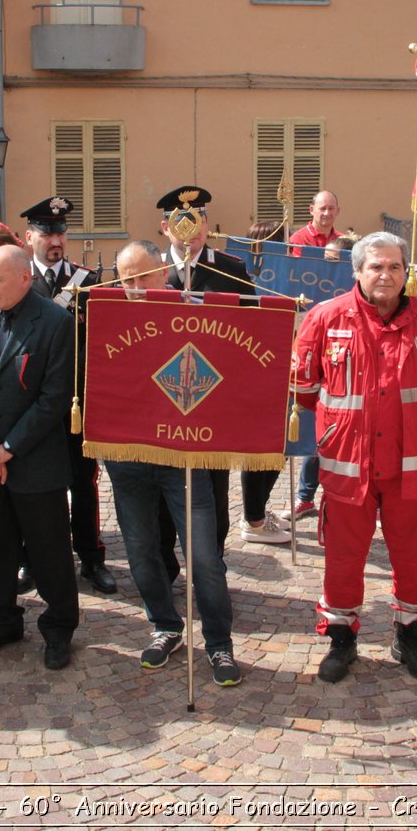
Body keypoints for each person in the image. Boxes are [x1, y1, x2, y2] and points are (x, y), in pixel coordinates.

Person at [292, 231, 417, 683]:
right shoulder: (325, 319)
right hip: (349, 468)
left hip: (413, 468)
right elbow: (305, 392)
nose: (385, 275)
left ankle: (412, 639)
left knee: (413, 559)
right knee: (343, 561)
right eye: (375, 267)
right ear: (357, 272)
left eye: (394, 267)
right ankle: (341, 640)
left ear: (406, 272)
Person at [104, 241, 241, 685]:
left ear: (163, 271)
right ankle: (165, 625)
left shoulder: (197, 314)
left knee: (204, 558)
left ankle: (219, 643)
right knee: (142, 551)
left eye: (143, 277)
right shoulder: (106, 317)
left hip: (184, 457)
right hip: (128, 457)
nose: (136, 287)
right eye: (126, 280)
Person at [0, 246, 80, 670]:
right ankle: (1, 620)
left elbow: (54, 398)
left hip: (35, 461)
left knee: (49, 551)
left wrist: (7, 449)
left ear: (25, 279)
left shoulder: (55, 322)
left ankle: (59, 626)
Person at [157, 186, 286, 550]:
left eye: (197, 220)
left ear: (207, 224)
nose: (190, 229)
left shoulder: (231, 269)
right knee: (163, 493)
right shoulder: (149, 267)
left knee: (213, 493)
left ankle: (212, 563)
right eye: (181, 221)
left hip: (213, 400)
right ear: (165, 227)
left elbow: (250, 333)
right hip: (162, 398)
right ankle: (167, 563)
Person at [19, 196, 115, 594]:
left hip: (77, 403)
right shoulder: (19, 281)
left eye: (60, 232)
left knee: (84, 482)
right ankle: (33, 559)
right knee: (35, 486)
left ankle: (91, 557)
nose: (55, 240)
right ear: (30, 238)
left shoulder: (90, 282)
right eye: (46, 233)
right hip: (32, 402)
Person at [282, 230, 361, 527]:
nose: (327, 264)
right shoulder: (313, 293)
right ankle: (306, 497)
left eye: (334, 260)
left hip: (352, 382)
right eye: (325, 258)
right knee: (315, 442)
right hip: (324, 379)